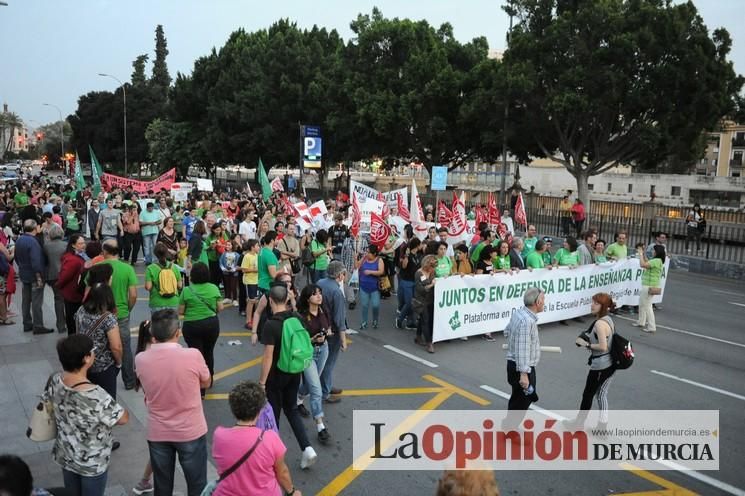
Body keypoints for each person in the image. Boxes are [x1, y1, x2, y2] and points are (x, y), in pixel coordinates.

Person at [135, 309, 211, 496]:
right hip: (190, 430)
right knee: (197, 484)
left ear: (152, 333)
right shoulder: (192, 355)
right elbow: (206, 382)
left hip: (158, 431)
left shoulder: (141, 359)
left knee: (162, 486)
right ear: (178, 332)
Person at [45, 334, 129, 496]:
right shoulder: (96, 394)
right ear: (86, 359)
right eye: (93, 351)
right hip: (92, 461)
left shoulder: (55, 379)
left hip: (66, 453)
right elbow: (123, 418)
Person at [257, 284, 318, 470]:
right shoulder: (297, 318)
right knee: (291, 409)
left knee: (273, 417)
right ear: (286, 299)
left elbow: (268, 356)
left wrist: (261, 382)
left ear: (271, 301)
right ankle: (307, 448)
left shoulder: (271, 324)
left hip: (276, 376)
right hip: (295, 371)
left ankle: (272, 459)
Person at [212, 381, 302, 496]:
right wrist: (292, 492)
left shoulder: (219, 436)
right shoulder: (270, 438)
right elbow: (282, 472)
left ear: (233, 410)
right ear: (259, 411)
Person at [566, 292, 617, 430]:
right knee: (601, 394)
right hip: (610, 363)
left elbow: (602, 346)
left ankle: (579, 424)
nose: (592, 305)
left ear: (603, 306)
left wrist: (587, 345)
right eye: (592, 302)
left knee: (589, 395)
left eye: (596, 303)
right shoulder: (608, 319)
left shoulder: (600, 324)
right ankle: (601, 427)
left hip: (601, 365)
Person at [179, 262, 224, 396]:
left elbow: (180, 311)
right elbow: (220, 308)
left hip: (192, 326)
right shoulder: (214, 288)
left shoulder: (187, 290)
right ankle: (208, 380)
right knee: (208, 352)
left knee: (196, 355)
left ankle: (200, 388)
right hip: (211, 324)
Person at [99, 240, 138, 390]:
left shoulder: (97, 267)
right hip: (121, 314)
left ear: (106, 251)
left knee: (102, 345)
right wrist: (127, 309)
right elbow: (133, 295)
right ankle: (129, 380)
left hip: (101, 313)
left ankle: (104, 378)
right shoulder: (127, 268)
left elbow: (87, 292)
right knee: (125, 347)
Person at [503, 287, 544, 426]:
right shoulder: (527, 321)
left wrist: (513, 342)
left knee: (518, 397)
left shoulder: (519, 313)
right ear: (537, 302)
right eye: (543, 300)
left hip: (514, 364)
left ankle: (508, 425)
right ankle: (510, 428)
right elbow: (523, 350)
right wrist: (524, 374)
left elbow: (506, 332)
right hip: (522, 368)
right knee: (522, 400)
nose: (544, 303)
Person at [297, 284, 332, 443]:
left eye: (320, 293)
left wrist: (326, 335)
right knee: (316, 389)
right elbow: (300, 341)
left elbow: (329, 327)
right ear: (307, 298)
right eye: (315, 294)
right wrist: (312, 340)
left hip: (323, 350)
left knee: (312, 384)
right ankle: (320, 426)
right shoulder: (302, 316)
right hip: (308, 353)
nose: (319, 296)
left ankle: (298, 397)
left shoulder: (323, 310)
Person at [76, 281, 122, 401]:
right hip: (103, 368)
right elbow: (116, 347)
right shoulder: (108, 318)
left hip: (83, 364)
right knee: (106, 403)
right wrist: (118, 363)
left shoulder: (81, 310)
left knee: (88, 400)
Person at [318, 261, 348, 404]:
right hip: (333, 332)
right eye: (344, 273)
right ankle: (325, 392)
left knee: (322, 360)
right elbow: (339, 319)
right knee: (328, 363)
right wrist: (343, 340)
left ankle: (327, 386)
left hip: (319, 328)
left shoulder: (321, 283)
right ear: (339, 275)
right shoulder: (337, 292)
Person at [15, 219, 52, 334]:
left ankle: (27, 323)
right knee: (36, 301)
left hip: (24, 273)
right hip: (34, 275)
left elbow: (16, 257)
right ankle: (38, 325)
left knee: (26, 300)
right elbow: (36, 262)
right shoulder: (33, 242)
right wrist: (39, 276)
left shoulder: (20, 239)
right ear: (35, 228)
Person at [56, 234, 87, 335]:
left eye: (84, 242)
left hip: (75, 294)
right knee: (73, 321)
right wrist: (58, 285)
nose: (83, 245)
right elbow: (64, 277)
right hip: (73, 294)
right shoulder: (73, 260)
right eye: (80, 243)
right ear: (73, 245)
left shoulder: (78, 256)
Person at [634, 244, 665, 333]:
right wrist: (643, 255)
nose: (652, 251)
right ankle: (641, 321)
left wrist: (640, 254)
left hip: (648, 285)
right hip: (651, 285)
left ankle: (651, 326)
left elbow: (642, 264)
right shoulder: (658, 261)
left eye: (654, 250)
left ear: (657, 252)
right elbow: (647, 262)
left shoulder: (656, 261)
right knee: (642, 304)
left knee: (647, 306)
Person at [145, 242, 183, 313]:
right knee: (172, 324)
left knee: (158, 324)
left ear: (155, 254)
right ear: (166, 252)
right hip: (173, 302)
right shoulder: (174, 267)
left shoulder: (150, 268)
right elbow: (180, 286)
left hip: (157, 302)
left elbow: (148, 287)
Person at [43, 224, 68, 334]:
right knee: (67, 300)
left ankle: (60, 325)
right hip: (65, 274)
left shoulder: (46, 245)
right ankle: (69, 322)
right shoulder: (66, 245)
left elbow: (44, 261)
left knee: (58, 299)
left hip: (52, 275)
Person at [413, 254, 437, 353]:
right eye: (431, 267)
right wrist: (431, 285)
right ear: (427, 265)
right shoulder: (418, 274)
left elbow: (435, 281)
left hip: (430, 300)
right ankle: (429, 343)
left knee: (425, 320)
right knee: (425, 321)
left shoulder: (432, 272)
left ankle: (418, 337)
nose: (432, 269)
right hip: (421, 302)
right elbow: (421, 289)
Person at [357, 244, 384, 330]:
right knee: (364, 305)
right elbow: (356, 266)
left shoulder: (379, 260)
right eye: (367, 252)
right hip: (363, 286)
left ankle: (375, 320)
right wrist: (357, 258)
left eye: (369, 252)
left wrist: (371, 272)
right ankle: (364, 322)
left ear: (375, 253)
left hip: (375, 288)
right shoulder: (364, 258)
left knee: (375, 305)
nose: (367, 254)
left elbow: (381, 272)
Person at [241, 240, 260, 329]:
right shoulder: (247, 256)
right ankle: (248, 321)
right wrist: (254, 270)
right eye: (257, 246)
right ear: (252, 247)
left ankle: (255, 319)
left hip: (257, 281)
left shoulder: (257, 256)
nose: (258, 247)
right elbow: (244, 269)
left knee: (256, 301)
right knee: (251, 301)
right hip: (249, 281)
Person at [258, 231, 279, 296]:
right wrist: (284, 269)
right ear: (272, 240)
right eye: (277, 239)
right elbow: (273, 275)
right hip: (267, 285)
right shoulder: (269, 254)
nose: (278, 241)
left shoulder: (262, 251)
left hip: (261, 283)